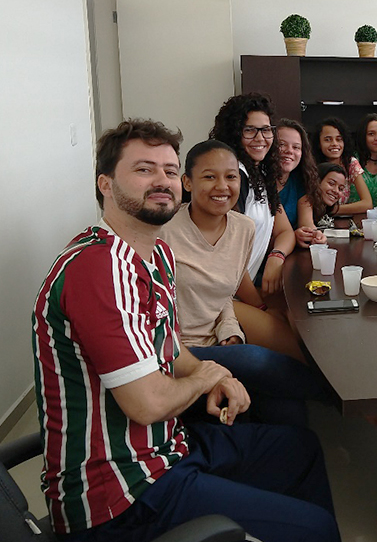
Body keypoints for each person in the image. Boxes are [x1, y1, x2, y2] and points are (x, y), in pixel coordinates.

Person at [32, 119, 339, 542]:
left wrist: (218, 375)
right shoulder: (97, 269)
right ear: (105, 183)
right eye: (144, 169)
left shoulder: (156, 253)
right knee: (315, 527)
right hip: (120, 491)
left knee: (300, 448)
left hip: (170, 447)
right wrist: (208, 376)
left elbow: (173, 350)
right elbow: (147, 403)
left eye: (169, 170)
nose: (162, 180)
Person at [161, 140, 313, 367]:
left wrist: (230, 332)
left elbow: (223, 295)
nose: (222, 186)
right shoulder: (163, 232)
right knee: (261, 362)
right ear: (187, 182)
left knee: (297, 365)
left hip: (222, 339)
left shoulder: (243, 228)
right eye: (210, 177)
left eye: (231, 177)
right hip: (179, 350)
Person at [209, 92, 295, 299]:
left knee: (298, 311)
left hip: (241, 292)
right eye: (249, 130)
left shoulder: (261, 175)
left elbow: (285, 232)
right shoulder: (234, 178)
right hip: (220, 298)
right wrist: (259, 305)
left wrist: (276, 256)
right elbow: (229, 260)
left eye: (266, 130)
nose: (260, 138)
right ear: (234, 133)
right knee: (287, 329)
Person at [276, 118, 327, 248]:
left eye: (296, 147)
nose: (289, 151)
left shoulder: (300, 180)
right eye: (282, 144)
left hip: (290, 255)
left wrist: (315, 235)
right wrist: (293, 236)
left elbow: (307, 224)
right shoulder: (258, 182)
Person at [312, 117, 373, 215]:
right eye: (328, 140)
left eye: (339, 139)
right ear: (319, 143)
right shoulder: (311, 165)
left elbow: (367, 203)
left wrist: (332, 210)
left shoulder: (350, 163)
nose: (334, 144)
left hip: (339, 222)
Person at [300, 162, 347, 229]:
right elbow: (308, 231)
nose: (336, 191)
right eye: (331, 183)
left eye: (340, 189)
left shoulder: (324, 211)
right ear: (317, 181)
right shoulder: (305, 201)